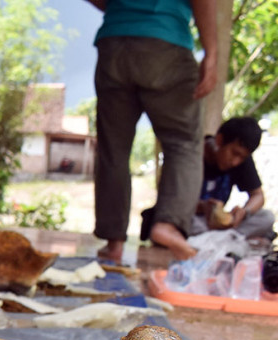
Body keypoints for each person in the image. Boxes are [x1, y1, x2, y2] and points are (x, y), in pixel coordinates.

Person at [87, 0, 218, 263]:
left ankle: (114, 242)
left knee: (113, 149)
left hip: (114, 41)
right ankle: (168, 224)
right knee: (183, 142)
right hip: (166, 40)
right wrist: (212, 52)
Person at [142, 117, 275, 246]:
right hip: (192, 219)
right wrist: (203, 207)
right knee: (184, 225)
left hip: (218, 227)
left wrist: (244, 212)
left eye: (242, 157)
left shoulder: (241, 161)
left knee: (266, 217)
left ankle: (217, 241)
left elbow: (258, 195)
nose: (236, 162)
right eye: (234, 153)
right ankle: (228, 241)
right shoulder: (191, 154)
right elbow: (170, 203)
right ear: (220, 140)